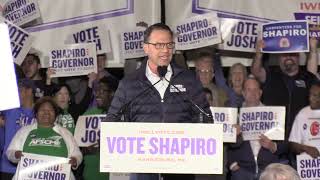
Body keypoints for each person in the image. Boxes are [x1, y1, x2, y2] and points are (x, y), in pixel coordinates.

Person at [106, 23, 211, 180]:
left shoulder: (188, 80)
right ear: (146, 48)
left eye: (169, 44)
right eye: (159, 45)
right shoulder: (129, 83)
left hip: (180, 167)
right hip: (143, 169)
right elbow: (112, 121)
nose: (165, 50)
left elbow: (205, 118)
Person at [251, 38, 319, 139]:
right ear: (279, 57)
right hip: (273, 140)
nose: (288, 57)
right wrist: (258, 55)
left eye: (292, 53)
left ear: (298, 57)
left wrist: (313, 49)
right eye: (284, 54)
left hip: (301, 139)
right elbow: (256, 72)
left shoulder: (308, 78)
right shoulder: (271, 75)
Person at [6, 97, 82, 180]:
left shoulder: (66, 133)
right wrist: (16, 154)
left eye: (50, 110)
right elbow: (10, 152)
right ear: (36, 114)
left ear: (56, 114)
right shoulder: (24, 131)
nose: (46, 113)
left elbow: (77, 154)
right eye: (42, 110)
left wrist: (74, 160)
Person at [228, 77, 287, 180]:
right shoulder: (234, 116)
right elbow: (225, 145)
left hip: (268, 171)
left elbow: (285, 145)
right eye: (249, 89)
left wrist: (273, 146)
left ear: (260, 92)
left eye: (255, 89)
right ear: (243, 93)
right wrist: (232, 164)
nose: (252, 93)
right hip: (242, 172)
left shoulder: (274, 115)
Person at [0, 79, 36, 180]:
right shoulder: (11, 110)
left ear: (29, 91)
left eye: (19, 90)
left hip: (31, 169)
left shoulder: (41, 112)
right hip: (7, 168)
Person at [81, 77, 116, 180]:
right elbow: (78, 148)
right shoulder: (88, 115)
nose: (97, 94)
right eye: (96, 90)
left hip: (114, 175)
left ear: (112, 93)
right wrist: (85, 150)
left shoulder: (124, 116)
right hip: (90, 175)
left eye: (102, 91)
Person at [289, 82, 320, 159]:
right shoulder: (302, 113)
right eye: (310, 94)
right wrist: (306, 149)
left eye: (315, 96)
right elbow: (293, 144)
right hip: (308, 167)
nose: (310, 98)